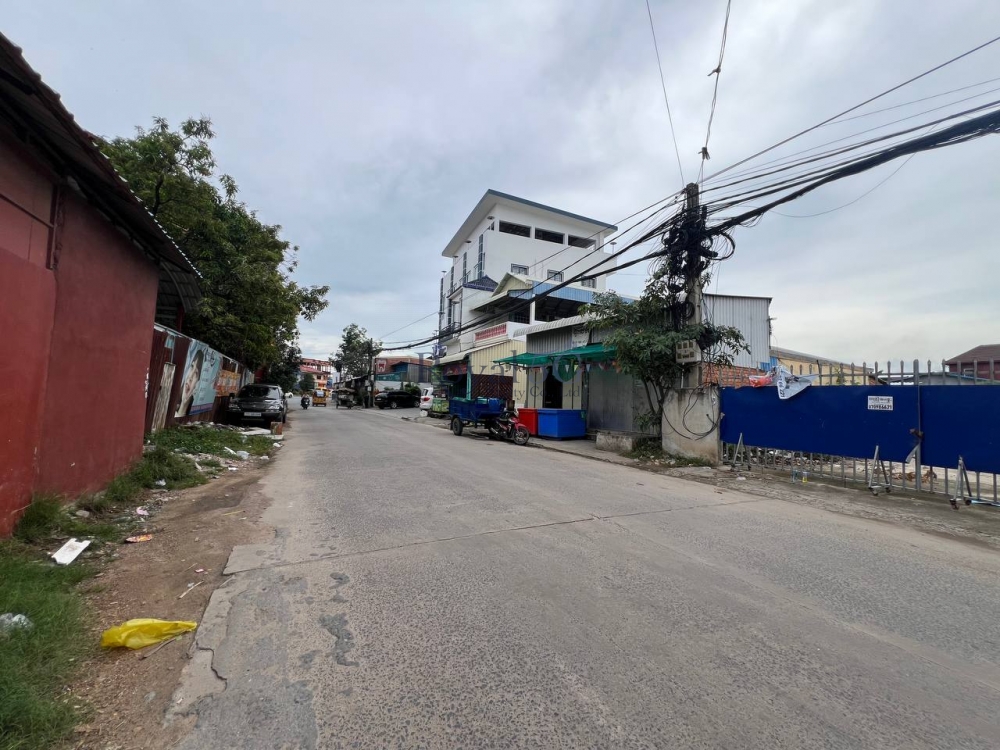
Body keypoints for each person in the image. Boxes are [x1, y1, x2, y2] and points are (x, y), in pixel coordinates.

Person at [175, 348, 205, 417]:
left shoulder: (193, 410)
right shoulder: (173, 397)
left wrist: (184, 405)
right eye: (191, 366)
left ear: (198, 382)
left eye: (196, 373)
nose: (190, 377)